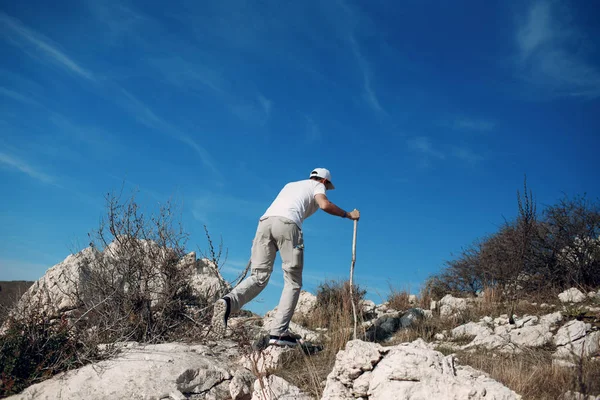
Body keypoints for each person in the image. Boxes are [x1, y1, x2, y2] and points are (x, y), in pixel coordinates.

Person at [211, 168, 360, 346]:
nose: (326, 190)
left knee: (258, 276)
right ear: (324, 181)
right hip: (288, 225)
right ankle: (279, 332)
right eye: (327, 187)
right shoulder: (317, 186)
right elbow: (324, 205)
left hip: (264, 224)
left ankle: (228, 302)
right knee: (293, 281)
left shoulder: (290, 185)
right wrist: (348, 215)